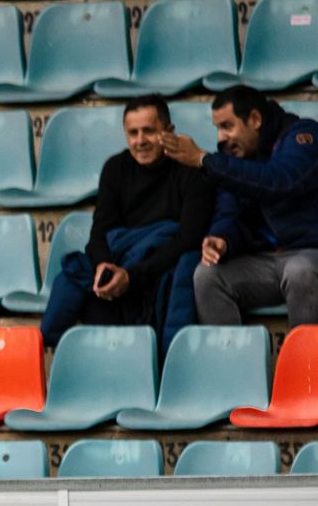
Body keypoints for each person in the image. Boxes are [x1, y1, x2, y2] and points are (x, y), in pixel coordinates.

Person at [40, 95, 213, 353]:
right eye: (133, 133)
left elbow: (188, 239)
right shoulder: (115, 168)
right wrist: (103, 267)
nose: (140, 141)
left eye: (149, 131)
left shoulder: (190, 172)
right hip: (120, 273)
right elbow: (99, 234)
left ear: (169, 131)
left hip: (158, 273)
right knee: (77, 276)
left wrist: (131, 277)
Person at [161, 85, 318, 328]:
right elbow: (228, 211)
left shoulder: (303, 136)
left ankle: (308, 364)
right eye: (218, 129)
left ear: (255, 119)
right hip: (266, 262)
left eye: (227, 126)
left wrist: (204, 160)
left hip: (309, 254)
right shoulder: (231, 155)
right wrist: (222, 238)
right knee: (208, 275)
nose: (221, 138)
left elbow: (280, 181)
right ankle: (230, 363)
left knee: (300, 271)